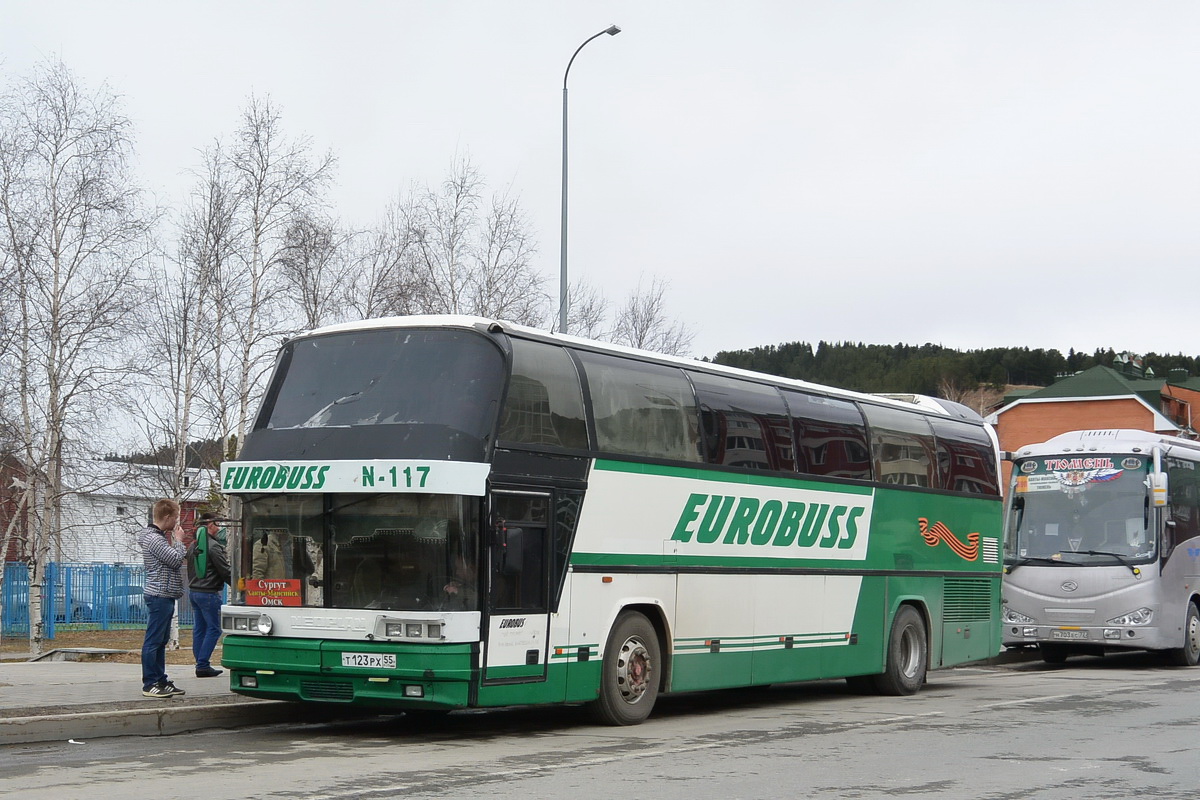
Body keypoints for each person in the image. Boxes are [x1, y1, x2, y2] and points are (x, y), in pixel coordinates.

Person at [139, 499, 187, 699]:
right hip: (159, 594)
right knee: (154, 640)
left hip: (164, 595)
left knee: (161, 640)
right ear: (166, 517)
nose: (176, 521)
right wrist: (179, 541)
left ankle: (160, 679)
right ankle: (150, 682)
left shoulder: (156, 537)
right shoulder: (154, 539)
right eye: (175, 517)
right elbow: (176, 560)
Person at [187, 512, 231, 678]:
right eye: (216, 524)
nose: (218, 527)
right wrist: (241, 587)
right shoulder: (213, 546)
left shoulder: (194, 546)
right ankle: (203, 665)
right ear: (209, 525)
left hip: (194, 592)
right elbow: (225, 571)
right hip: (208, 593)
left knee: (200, 628)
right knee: (214, 629)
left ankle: (200, 663)